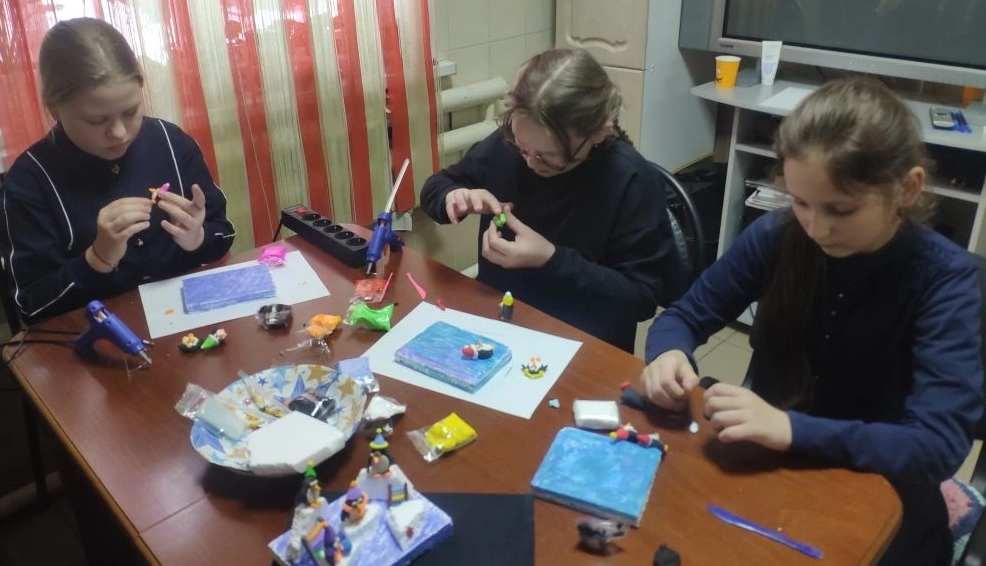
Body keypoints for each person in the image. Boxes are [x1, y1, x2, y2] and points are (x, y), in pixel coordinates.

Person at [639, 76, 982, 564]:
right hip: (769, 459)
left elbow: (938, 445)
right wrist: (669, 353)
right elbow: (684, 316)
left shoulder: (945, 279)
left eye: (840, 209)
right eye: (800, 202)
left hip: (881, 484)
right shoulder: (777, 236)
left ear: (907, 188)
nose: (816, 228)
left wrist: (792, 429)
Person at [419, 48, 673, 351]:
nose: (529, 162)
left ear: (598, 133)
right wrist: (454, 197)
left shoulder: (631, 180)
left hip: (582, 343)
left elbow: (641, 298)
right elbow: (435, 187)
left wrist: (551, 259)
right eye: (523, 147)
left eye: (547, 157)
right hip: (500, 324)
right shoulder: (506, 145)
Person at [0, 17, 236, 323]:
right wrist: (96, 258)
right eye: (96, 120)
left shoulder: (172, 143)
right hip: (96, 339)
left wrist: (197, 238)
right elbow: (31, 306)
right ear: (54, 109)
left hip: (187, 326)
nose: (120, 133)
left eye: (131, 111)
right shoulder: (29, 182)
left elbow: (223, 233)